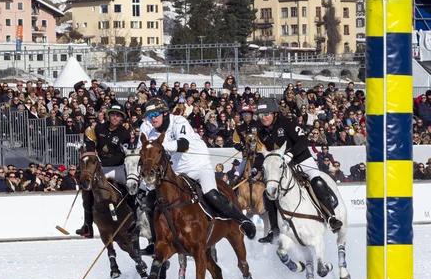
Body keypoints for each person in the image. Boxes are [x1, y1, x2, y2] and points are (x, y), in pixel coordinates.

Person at [139, 97, 256, 240]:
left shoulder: (178, 122)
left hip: (199, 166)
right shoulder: (153, 134)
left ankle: (243, 221)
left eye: (154, 115)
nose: (152, 119)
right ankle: (155, 240)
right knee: (151, 199)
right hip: (178, 172)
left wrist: (160, 147)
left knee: (211, 194)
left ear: (164, 113)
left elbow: (183, 144)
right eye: (149, 116)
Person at [256, 97, 343, 244]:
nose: (263, 118)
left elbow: (303, 141)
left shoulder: (288, 124)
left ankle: (331, 216)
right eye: (260, 115)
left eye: (267, 114)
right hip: (282, 167)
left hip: (301, 160)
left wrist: (291, 154)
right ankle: (274, 229)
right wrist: (255, 168)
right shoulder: (261, 132)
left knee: (317, 181)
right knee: (269, 192)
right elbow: (262, 154)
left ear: (275, 113)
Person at [75, 103, 131, 238]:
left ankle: (134, 220)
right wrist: (92, 154)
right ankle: (87, 226)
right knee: (87, 189)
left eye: (118, 116)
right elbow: (89, 141)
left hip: (117, 167)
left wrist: (103, 161)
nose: (115, 117)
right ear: (108, 115)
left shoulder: (125, 134)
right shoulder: (98, 128)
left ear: (122, 118)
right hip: (100, 169)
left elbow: (122, 154)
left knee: (131, 187)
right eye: (113, 114)